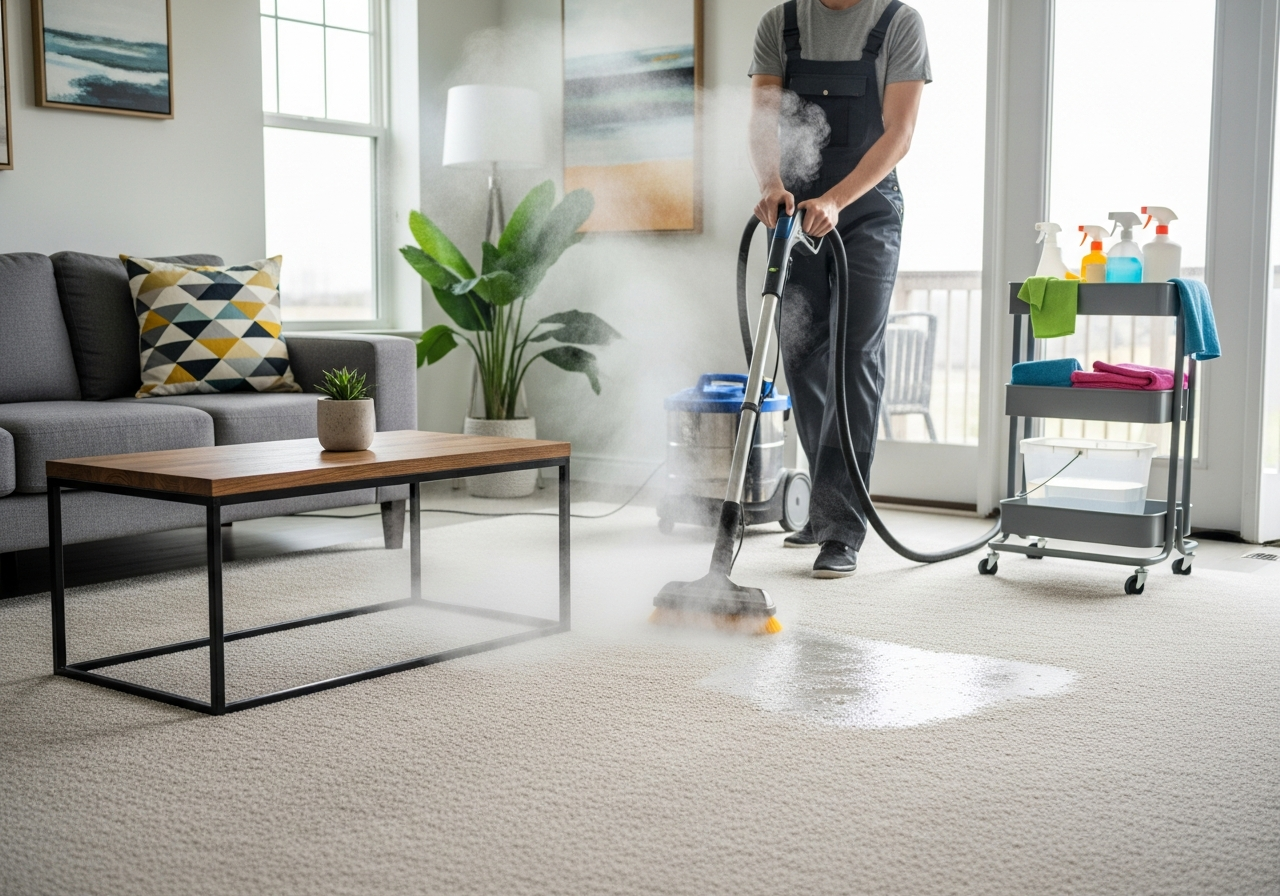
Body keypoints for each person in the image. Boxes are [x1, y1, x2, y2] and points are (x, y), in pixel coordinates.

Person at [748, 0, 930, 578]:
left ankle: (841, 529)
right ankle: (825, 507)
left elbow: (899, 134)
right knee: (800, 351)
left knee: (854, 356)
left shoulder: (899, 23)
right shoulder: (780, 23)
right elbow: (763, 115)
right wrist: (772, 183)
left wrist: (837, 200)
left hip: (868, 211)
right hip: (795, 212)